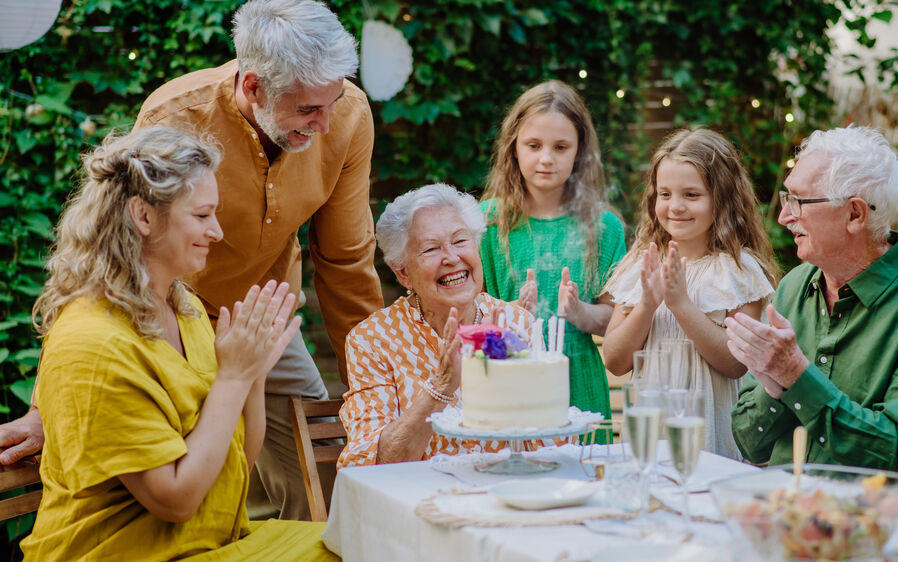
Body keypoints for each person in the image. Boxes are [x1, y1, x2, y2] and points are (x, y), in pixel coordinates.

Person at [0, 0, 383, 521]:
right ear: (253, 86)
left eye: (332, 102)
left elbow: (345, 259)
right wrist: (47, 406)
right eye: (307, 110)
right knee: (192, 480)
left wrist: (378, 381)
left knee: (324, 475)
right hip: (167, 319)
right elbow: (106, 256)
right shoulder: (175, 116)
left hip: (258, 318)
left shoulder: (348, 114)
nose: (323, 123)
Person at [19, 126, 334, 560]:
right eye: (202, 215)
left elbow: (237, 456)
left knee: (352, 543)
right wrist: (234, 376)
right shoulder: (91, 344)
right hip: (123, 554)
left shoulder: (183, 306)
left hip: (210, 544)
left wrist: (253, 374)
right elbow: (176, 500)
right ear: (144, 216)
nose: (218, 232)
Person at [726, 126, 898, 517]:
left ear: (855, 214)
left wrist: (795, 375)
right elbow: (749, 441)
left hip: (889, 538)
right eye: (785, 197)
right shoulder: (793, 287)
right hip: (786, 524)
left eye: (798, 201)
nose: (782, 216)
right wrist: (774, 383)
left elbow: (897, 456)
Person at [601, 129, 778, 459]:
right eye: (665, 194)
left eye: (692, 195)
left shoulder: (738, 272)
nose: (675, 206)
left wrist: (681, 305)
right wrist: (646, 306)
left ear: (722, 200)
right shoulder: (642, 264)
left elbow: (736, 364)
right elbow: (614, 359)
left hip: (707, 429)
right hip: (649, 430)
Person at [338, 184, 537, 467]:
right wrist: (440, 388)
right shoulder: (372, 340)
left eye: (460, 241)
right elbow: (372, 464)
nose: (452, 258)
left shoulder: (517, 324)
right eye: (431, 248)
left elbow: (551, 449)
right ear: (403, 273)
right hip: (418, 504)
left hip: (506, 495)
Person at [478, 80, 626, 421]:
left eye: (561, 147)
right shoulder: (486, 221)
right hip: (506, 381)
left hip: (579, 387)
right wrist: (508, 314)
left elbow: (614, 320)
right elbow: (466, 316)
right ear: (514, 147)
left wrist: (579, 312)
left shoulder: (603, 227)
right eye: (534, 145)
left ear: (580, 152)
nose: (546, 158)